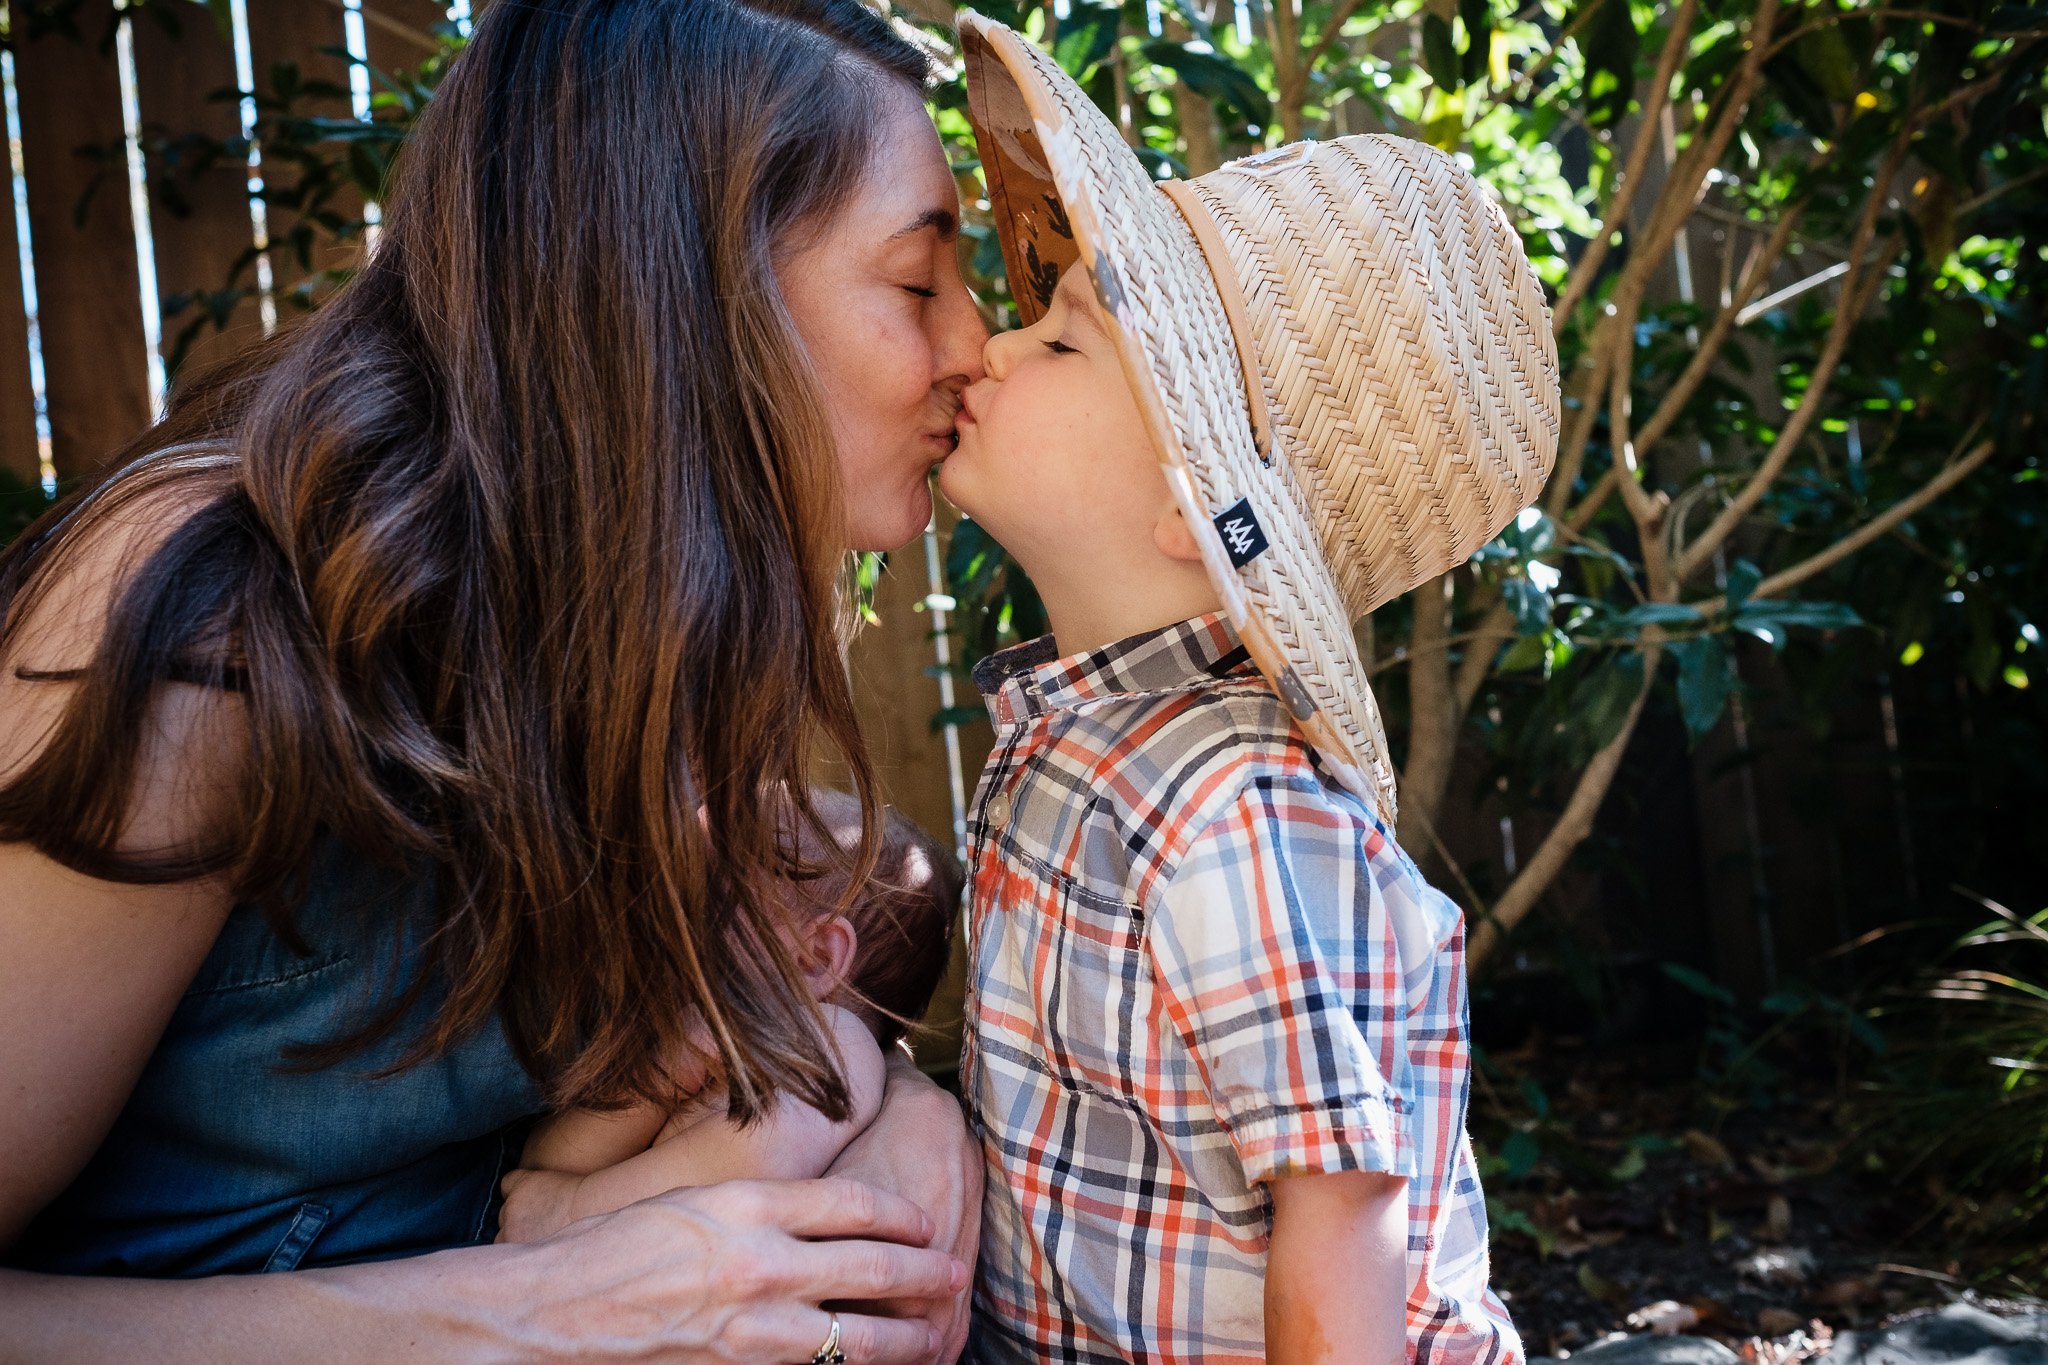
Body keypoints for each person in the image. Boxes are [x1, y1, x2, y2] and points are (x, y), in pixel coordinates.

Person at [0, 0, 989, 1360]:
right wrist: (538, 1311)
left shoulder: (635, 621)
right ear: (693, 282)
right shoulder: (214, 613)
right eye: (923, 281)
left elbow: (833, 925)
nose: (977, 347)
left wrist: (915, 1128)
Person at [939, 16, 1562, 1362]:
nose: (992, 345)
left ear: (1189, 508)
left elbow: (1339, 1223)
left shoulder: (1229, 809)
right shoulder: (1091, 739)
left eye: (1062, 342)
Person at [497, 790, 962, 1242]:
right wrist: (663, 1076)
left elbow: (760, 1161)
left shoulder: (840, 1047)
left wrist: (570, 1210)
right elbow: (539, 1168)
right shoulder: (688, 1028)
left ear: (814, 955)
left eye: (729, 860)